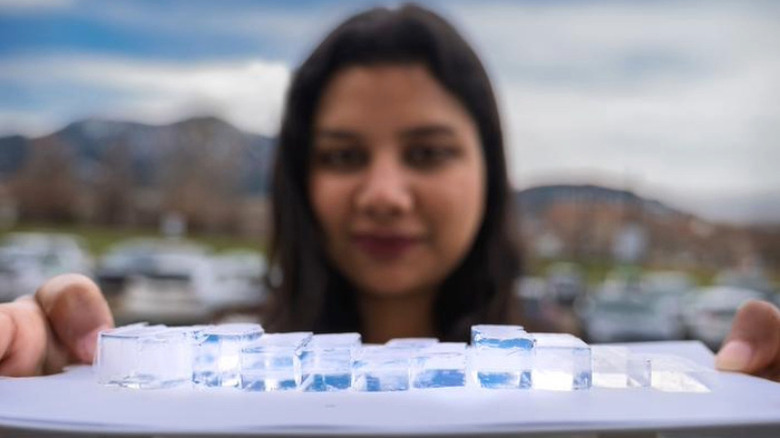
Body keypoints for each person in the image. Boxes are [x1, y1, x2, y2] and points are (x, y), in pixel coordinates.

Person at [0, 4, 778, 381]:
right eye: (342, 155)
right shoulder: (199, 379)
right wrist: (42, 392)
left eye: (428, 153)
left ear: (490, 171)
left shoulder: (600, 386)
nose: (383, 194)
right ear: (299, 179)